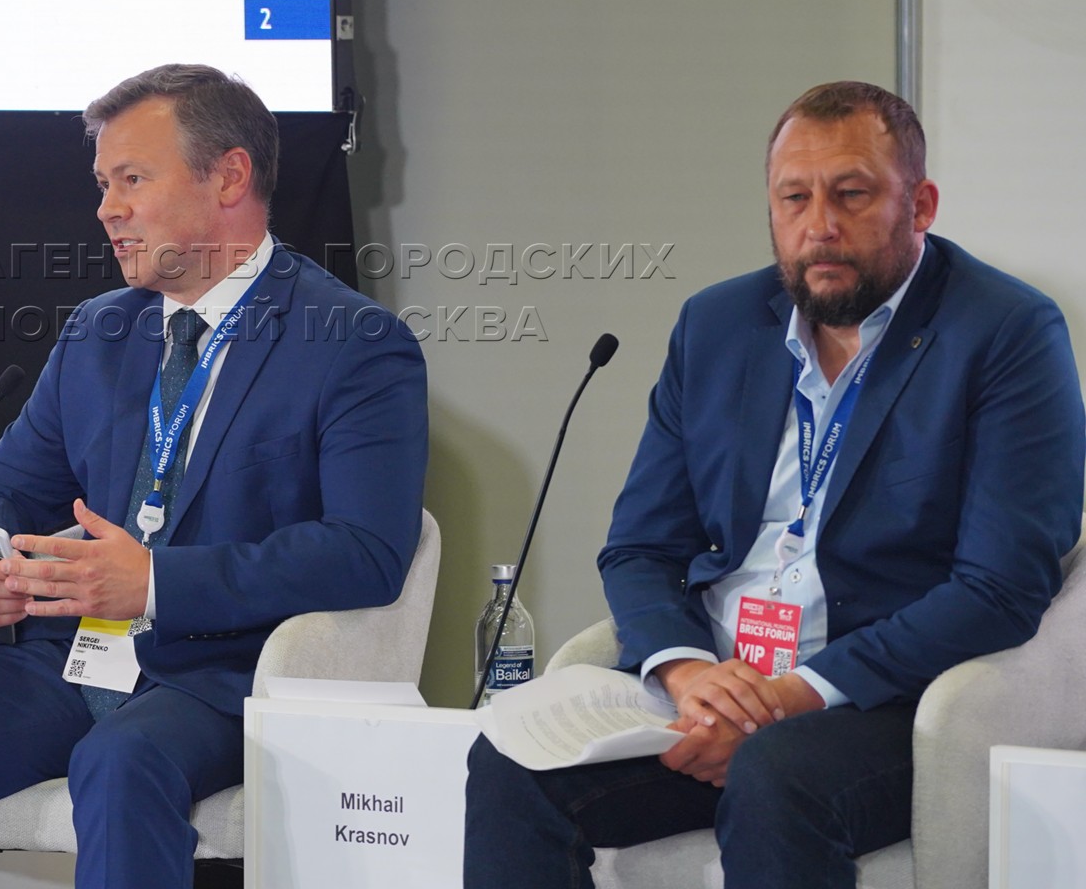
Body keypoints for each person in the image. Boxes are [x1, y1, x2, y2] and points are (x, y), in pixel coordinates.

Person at [0, 64, 429, 889]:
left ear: (229, 177)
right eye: (103, 184)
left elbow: (367, 551)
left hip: (224, 671)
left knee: (122, 761)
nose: (107, 209)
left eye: (133, 179)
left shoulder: (352, 341)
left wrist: (156, 582)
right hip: (71, 657)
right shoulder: (100, 333)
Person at [464, 81, 1085, 887]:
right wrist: (690, 673)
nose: (818, 224)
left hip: (882, 697)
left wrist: (790, 697)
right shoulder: (716, 326)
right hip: (713, 683)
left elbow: (1000, 587)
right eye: (794, 198)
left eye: (851, 194)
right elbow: (640, 548)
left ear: (920, 204)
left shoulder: (1006, 331)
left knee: (775, 772)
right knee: (510, 762)